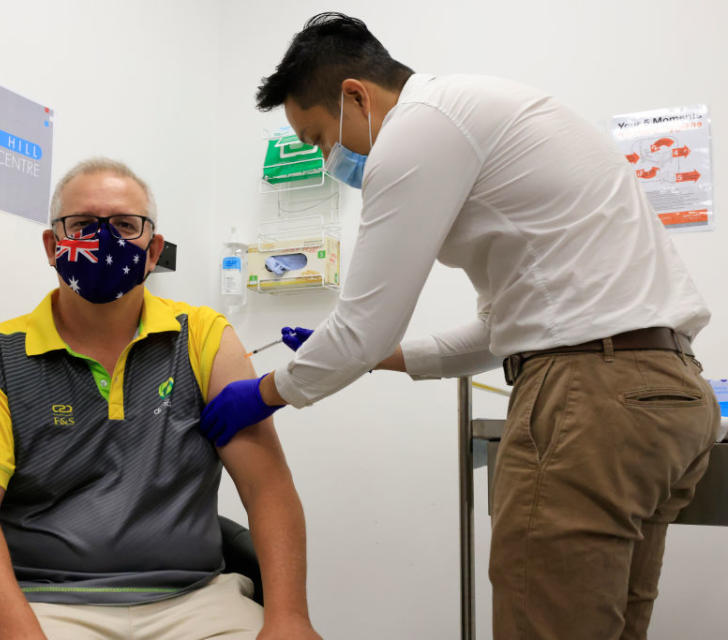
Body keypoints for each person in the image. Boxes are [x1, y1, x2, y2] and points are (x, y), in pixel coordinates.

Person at [199, 12, 720, 640]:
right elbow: (494, 333)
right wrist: (374, 356)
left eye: (317, 139)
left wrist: (263, 393)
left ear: (355, 97)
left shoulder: (417, 131)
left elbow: (362, 325)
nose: (328, 158)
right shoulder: (481, 112)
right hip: (667, 393)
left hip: (591, 399)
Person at [0, 158, 320, 640]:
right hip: (47, 605)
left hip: (196, 602)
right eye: (82, 225)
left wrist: (289, 618)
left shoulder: (202, 337)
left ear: (153, 248)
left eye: (123, 225)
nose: (104, 239)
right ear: (53, 247)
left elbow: (268, 489)